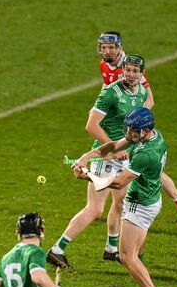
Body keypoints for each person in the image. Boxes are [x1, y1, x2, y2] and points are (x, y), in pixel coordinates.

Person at [46, 54, 149, 268]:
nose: (130, 74)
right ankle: (56, 250)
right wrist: (113, 148)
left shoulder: (142, 92)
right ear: (123, 70)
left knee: (121, 203)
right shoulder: (110, 92)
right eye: (127, 70)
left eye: (135, 71)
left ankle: (111, 249)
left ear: (141, 74)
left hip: (124, 155)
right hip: (106, 156)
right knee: (94, 209)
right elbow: (91, 125)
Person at [74, 108, 168, 287]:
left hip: (139, 205)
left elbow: (118, 183)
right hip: (152, 199)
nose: (130, 134)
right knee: (136, 251)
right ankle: (142, 273)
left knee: (126, 256)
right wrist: (87, 156)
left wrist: (87, 175)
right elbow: (114, 146)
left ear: (146, 130)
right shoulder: (153, 136)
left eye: (134, 131)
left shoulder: (146, 154)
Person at [97, 31, 177, 224]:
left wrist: (135, 119)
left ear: (120, 48)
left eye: (111, 47)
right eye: (104, 47)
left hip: (135, 129)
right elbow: (105, 87)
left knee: (146, 166)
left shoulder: (131, 70)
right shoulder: (104, 65)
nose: (107, 51)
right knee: (143, 167)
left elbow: (150, 99)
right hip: (121, 128)